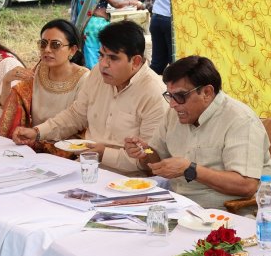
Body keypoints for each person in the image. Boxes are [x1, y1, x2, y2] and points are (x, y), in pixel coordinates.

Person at [12, 20, 168, 175]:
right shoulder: (97, 75)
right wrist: (37, 132)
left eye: (113, 58)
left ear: (135, 61)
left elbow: (151, 159)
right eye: (101, 55)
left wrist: (104, 153)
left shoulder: (154, 93)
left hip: (129, 180)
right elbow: (75, 116)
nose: (103, 64)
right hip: (85, 168)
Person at [125, 56, 271, 210]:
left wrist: (190, 170)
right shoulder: (175, 114)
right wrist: (145, 151)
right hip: (179, 205)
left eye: (179, 96)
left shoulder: (240, 120)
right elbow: (156, 159)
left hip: (227, 213)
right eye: (170, 96)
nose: (172, 104)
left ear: (207, 92)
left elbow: (246, 185)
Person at [0, 19, 89, 145]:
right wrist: (6, 81)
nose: (47, 49)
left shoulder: (84, 78)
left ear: (72, 50)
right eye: (43, 43)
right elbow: (9, 108)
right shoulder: (39, 71)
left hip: (69, 151)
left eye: (55, 45)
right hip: (35, 144)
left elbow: (77, 121)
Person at [73, 0, 142, 68]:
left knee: (90, 57)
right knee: (103, 55)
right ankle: (101, 80)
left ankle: (92, 79)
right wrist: (131, 1)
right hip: (98, 25)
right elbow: (116, 3)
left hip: (86, 25)